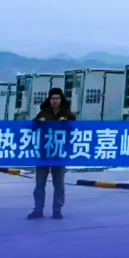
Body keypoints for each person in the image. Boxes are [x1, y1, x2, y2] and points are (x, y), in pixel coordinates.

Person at [29, 88, 74, 220]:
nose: (55, 101)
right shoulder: (43, 113)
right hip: (43, 153)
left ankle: (57, 210)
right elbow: (32, 128)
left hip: (59, 153)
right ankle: (38, 209)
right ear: (49, 100)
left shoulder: (67, 113)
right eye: (52, 98)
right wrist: (39, 122)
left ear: (61, 99)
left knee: (59, 185)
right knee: (39, 184)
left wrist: (65, 123)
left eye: (57, 98)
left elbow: (75, 129)